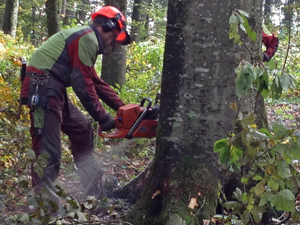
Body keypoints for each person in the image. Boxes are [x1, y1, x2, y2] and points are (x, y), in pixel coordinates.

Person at [20, 5, 130, 208]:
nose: (112, 43)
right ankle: (45, 207)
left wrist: (126, 108)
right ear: (107, 26)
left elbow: (95, 81)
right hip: (42, 87)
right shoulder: (87, 37)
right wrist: (104, 119)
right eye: (113, 37)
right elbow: (82, 85)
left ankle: (92, 188)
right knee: (47, 149)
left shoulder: (86, 40)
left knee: (82, 127)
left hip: (53, 88)